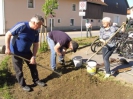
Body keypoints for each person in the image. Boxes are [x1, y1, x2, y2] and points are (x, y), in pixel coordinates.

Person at [5, 14, 46, 92]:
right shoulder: (22, 26)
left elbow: (36, 44)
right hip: (16, 52)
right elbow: (8, 34)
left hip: (27, 51)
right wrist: (7, 48)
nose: (40, 27)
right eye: (39, 25)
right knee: (19, 70)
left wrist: (33, 56)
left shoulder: (36, 32)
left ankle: (36, 80)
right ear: (34, 23)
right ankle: (23, 85)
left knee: (33, 66)